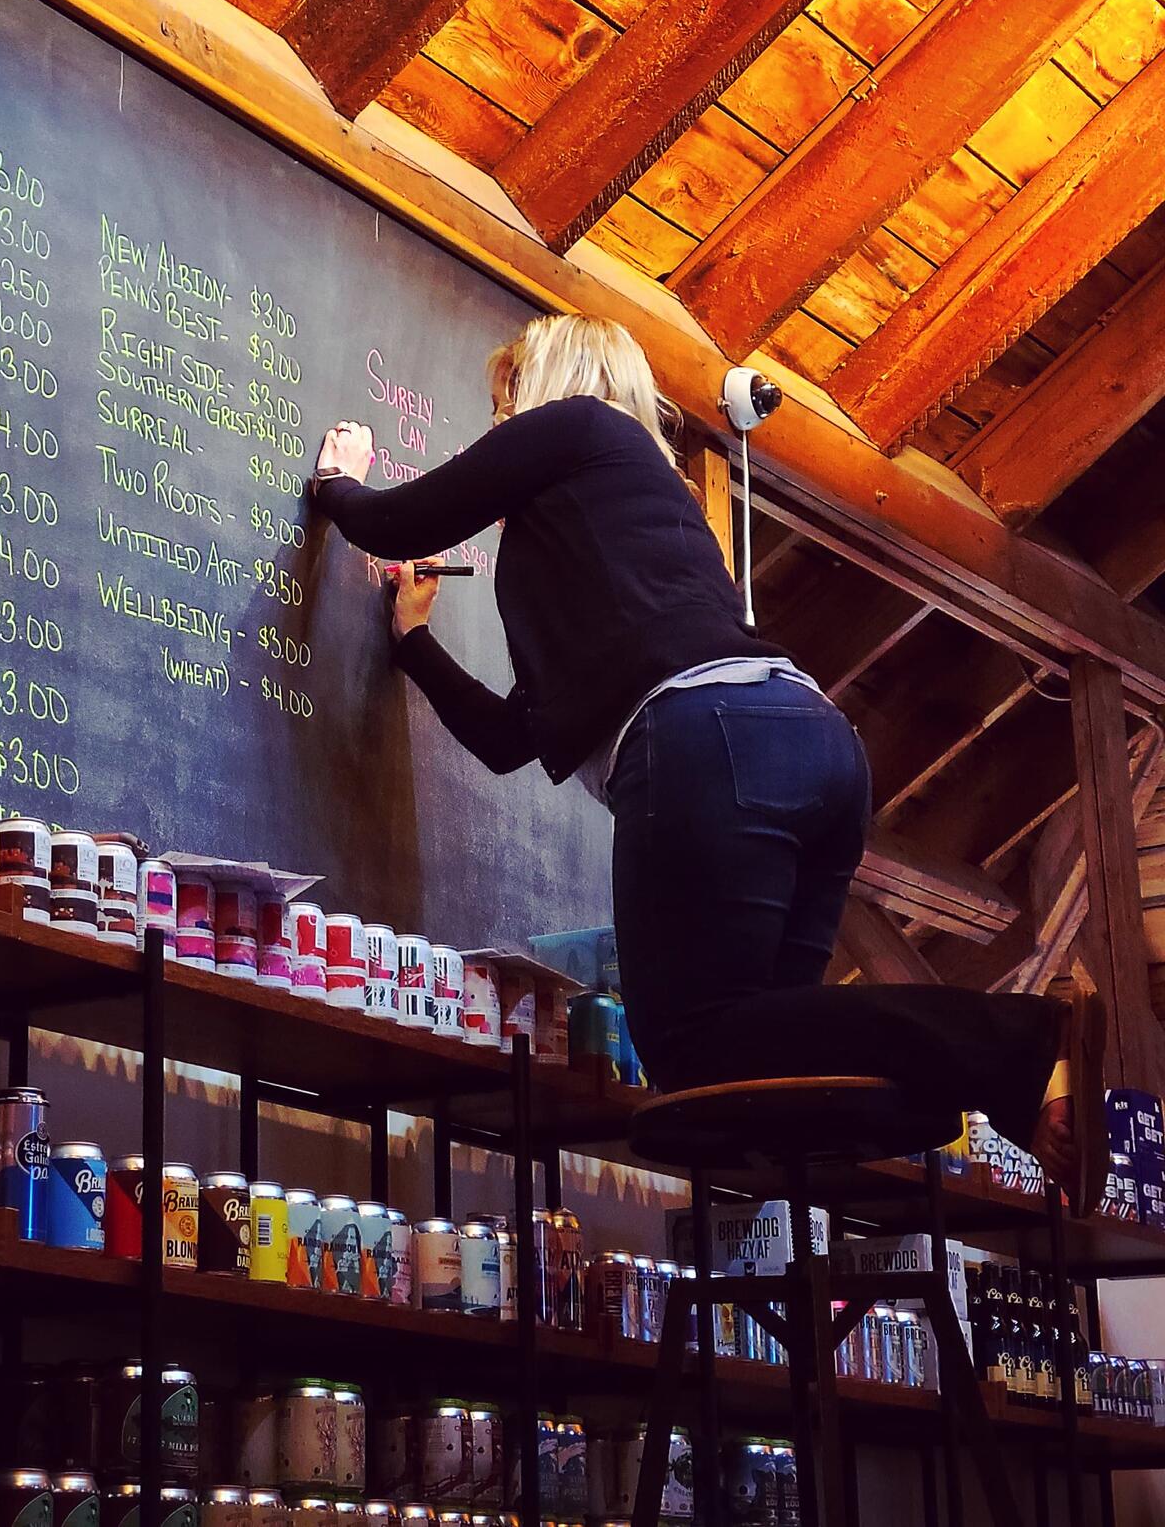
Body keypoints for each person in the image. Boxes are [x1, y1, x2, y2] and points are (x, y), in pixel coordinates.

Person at [310, 313, 1105, 1211]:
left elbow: (399, 519)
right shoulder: (632, 530)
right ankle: (1008, 1080)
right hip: (813, 747)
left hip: (710, 745)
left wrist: (338, 479)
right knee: (770, 1057)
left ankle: (1019, 1041)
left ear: (553, 380)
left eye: (506, 399)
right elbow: (504, 739)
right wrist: (413, 642)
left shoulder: (575, 425)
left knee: (691, 1046)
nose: (498, 423)